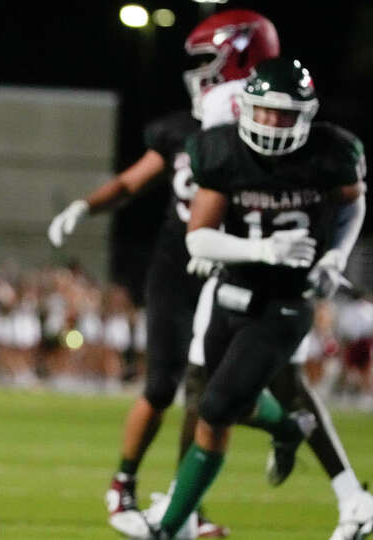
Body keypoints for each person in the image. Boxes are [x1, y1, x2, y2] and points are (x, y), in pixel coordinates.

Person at [48, 9, 279, 538]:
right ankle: (123, 483)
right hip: (178, 267)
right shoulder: (183, 130)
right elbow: (132, 183)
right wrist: (84, 206)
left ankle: (186, 502)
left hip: (231, 271)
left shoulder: (264, 139)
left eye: (209, 61)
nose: (200, 73)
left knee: (214, 394)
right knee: (163, 384)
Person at [142, 57, 372, 540]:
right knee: (213, 396)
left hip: (287, 300)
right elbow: (198, 237)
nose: (270, 122)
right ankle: (289, 429)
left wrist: (334, 257)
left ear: (306, 116)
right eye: (263, 111)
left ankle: (171, 525)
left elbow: (353, 203)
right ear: (246, 108)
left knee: (215, 407)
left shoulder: (331, 153)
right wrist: (261, 248)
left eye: (283, 114)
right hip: (231, 286)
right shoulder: (221, 150)